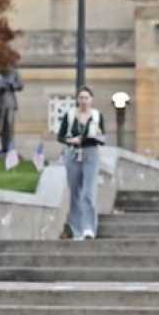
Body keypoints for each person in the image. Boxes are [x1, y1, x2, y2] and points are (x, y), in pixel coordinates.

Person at [56, 86, 105, 239]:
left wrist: (96, 137)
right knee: (75, 192)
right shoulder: (70, 115)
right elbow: (60, 136)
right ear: (77, 100)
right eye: (81, 98)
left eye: (86, 98)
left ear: (91, 100)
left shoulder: (97, 116)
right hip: (73, 153)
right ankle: (76, 229)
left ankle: (89, 228)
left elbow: (103, 137)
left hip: (91, 153)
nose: (83, 100)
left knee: (88, 192)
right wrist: (71, 140)